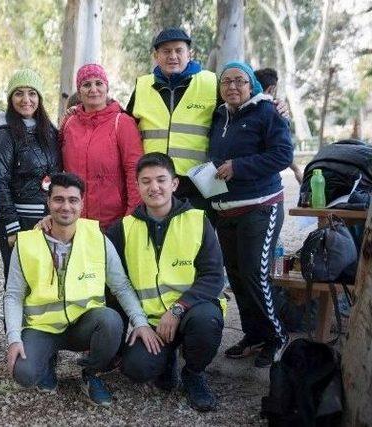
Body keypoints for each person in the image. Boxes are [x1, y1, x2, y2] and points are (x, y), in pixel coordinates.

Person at [4, 173, 160, 407]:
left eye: (73, 200)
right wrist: (14, 339)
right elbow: (13, 295)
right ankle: (47, 361)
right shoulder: (27, 243)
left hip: (83, 327)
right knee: (24, 374)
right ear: (48, 203)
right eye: (58, 199)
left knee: (111, 320)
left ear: (82, 203)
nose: (66, 206)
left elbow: (121, 286)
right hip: (43, 329)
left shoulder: (98, 239)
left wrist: (140, 322)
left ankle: (91, 373)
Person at [107, 153, 225, 412]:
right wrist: (47, 225)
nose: (154, 187)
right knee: (136, 368)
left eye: (161, 180)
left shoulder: (197, 220)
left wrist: (178, 308)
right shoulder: (123, 228)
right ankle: (166, 357)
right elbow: (109, 280)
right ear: (137, 186)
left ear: (174, 184)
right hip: (150, 321)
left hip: (193, 311)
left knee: (207, 322)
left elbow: (214, 276)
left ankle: (194, 373)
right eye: (145, 181)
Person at [128, 29, 289, 213]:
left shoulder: (211, 82)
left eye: (178, 50)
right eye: (166, 51)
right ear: (156, 56)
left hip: (199, 182)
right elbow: (125, 127)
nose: (173, 56)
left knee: (197, 239)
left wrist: (276, 106)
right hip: (156, 182)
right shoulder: (142, 85)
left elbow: (251, 103)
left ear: (190, 54)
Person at [209, 62, 293, 368]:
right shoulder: (219, 115)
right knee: (238, 277)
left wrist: (238, 167)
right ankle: (253, 335)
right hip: (226, 211)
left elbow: (283, 155)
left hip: (261, 206)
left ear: (251, 85)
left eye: (239, 81)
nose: (232, 87)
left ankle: (277, 336)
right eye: (226, 82)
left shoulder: (267, 112)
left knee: (256, 275)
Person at [0, 69, 62, 279]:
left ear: (39, 97)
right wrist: (12, 227)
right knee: (19, 283)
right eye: (19, 93)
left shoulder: (50, 132)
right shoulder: (4, 134)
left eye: (32, 93)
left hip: (48, 219)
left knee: (47, 281)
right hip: (19, 221)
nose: (26, 99)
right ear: (11, 99)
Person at [61, 63, 143, 230]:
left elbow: (134, 171)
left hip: (112, 222)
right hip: (74, 221)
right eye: (86, 84)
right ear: (79, 90)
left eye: (99, 83)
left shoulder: (122, 123)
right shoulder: (70, 123)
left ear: (107, 88)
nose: (93, 89)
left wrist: (132, 216)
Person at [254, 67, 303, 184]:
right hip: (266, 184)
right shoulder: (276, 110)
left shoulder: (240, 108)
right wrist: (296, 170)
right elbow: (282, 149)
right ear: (272, 88)